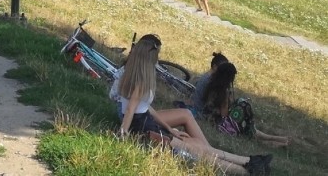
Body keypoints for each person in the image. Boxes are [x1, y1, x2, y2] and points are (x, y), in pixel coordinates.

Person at [114, 36, 272, 175]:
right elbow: (130, 111)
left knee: (197, 145)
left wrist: (169, 129)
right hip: (145, 131)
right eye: (156, 55)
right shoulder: (140, 82)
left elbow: (144, 108)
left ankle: (250, 161)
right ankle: (247, 170)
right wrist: (123, 135)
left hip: (147, 125)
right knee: (199, 150)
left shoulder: (134, 76)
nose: (157, 58)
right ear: (148, 59)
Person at [197, 60, 290, 147]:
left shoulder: (211, 84)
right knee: (243, 105)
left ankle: (273, 139)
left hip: (209, 117)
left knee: (241, 108)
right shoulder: (222, 92)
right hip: (219, 124)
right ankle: (273, 140)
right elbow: (224, 114)